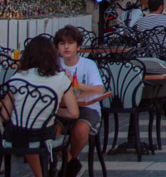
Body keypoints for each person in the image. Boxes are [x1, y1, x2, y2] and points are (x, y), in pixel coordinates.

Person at [4, 36, 79, 177]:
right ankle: (69, 164)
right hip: (43, 137)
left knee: (24, 128)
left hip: (16, 137)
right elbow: (74, 113)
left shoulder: (16, 78)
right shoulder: (61, 78)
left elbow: (6, 114)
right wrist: (53, 110)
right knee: (52, 126)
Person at [55, 26, 104, 177]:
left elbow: (99, 90)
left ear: (78, 46)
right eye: (62, 44)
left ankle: (70, 163)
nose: (66, 47)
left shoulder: (88, 65)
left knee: (81, 129)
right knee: (50, 130)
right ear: (57, 47)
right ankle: (71, 164)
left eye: (70, 43)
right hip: (62, 109)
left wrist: (75, 83)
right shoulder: (55, 65)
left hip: (88, 108)